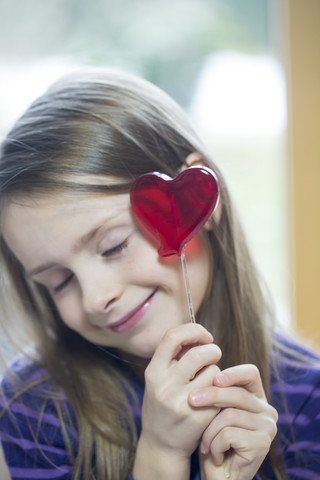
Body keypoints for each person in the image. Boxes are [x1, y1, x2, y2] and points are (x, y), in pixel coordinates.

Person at [0, 68, 319, 480]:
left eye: (113, 245)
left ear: (202, 201)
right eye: (59, 281)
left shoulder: (309, 399)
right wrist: (160, 454)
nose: (96, 298)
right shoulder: (33, 412)